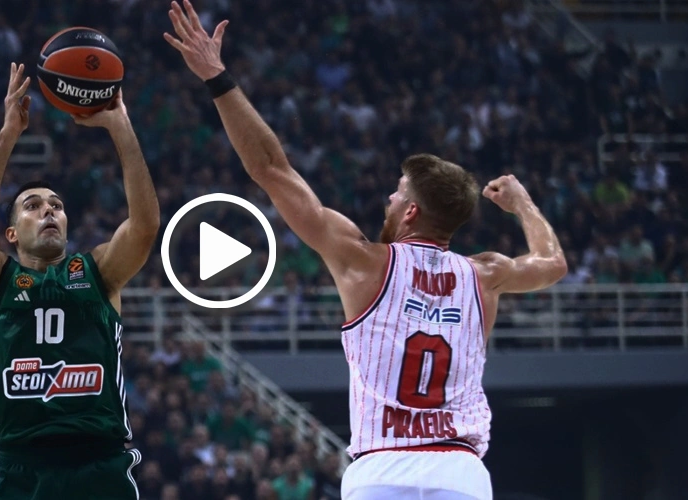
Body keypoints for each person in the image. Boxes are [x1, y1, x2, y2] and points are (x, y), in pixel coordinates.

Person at [164, 3, 568, 499]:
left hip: (381, 468)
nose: (389, 198)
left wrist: (217, 77)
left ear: (411, 212)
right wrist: (523, 203)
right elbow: (553, 263)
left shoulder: (363, 261)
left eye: (398, 193)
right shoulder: (487, 274)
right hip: (460, 473)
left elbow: (270, 167)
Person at [0, 63, 160, 499]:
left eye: (57, 205)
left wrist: (120, 126)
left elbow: (144, 227)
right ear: (11, 234)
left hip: (99, 463)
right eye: (32, 206)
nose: (49, 209)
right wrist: (8, 134)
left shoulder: (98, 270)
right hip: (21, 468)